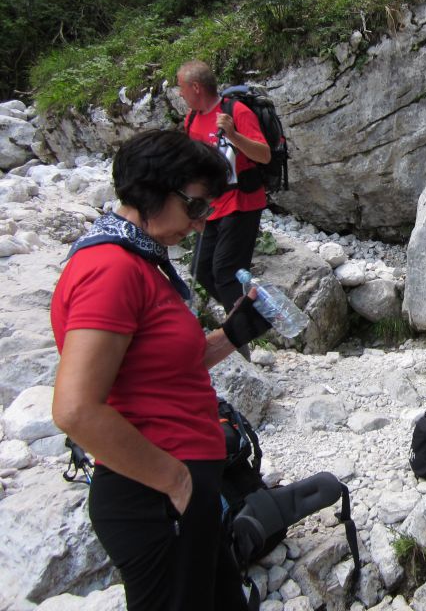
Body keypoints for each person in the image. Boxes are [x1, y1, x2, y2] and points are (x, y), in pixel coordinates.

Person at [51, 130, 272, 610]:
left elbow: (170, 367)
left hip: (179, 486)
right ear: (153, 190)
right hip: (154, 494)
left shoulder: (141, 260)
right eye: (195, 207)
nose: (199, 225)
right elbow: (74, 409)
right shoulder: (111, 270)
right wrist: (175, 481)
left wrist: (237, 330)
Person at [177, 59, 270, 313]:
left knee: (226, 272)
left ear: (196, 87)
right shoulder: (192, 119)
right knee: (201, 269)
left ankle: (239, 332)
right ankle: (244, 317)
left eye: (181, 87)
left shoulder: (237, 111)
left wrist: (234, 136)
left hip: (242, 202)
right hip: (212, 205)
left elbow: (264, 155)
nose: (179, 93)